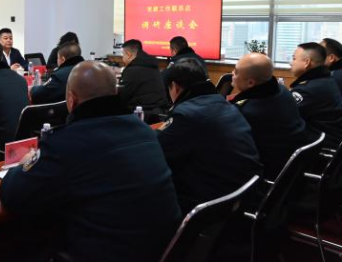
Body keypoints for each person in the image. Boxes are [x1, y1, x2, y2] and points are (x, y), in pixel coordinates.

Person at [0, 62, 181, 262]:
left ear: (71, 99)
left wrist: (26, 161)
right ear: (115, 92)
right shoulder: (144, 131)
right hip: (161, 252)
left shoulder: (67, 143)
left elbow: (13, 195)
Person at [157, 58, 262, 214]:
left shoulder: (186, 114)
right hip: (243, 194)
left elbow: (157, 152)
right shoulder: (224, 104)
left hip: (211, 205)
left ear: (175, 87)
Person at [230, 53, 310, 180]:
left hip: (270, 172)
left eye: (236, 71)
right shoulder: (282, 90)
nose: (232, 74)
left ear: (250, 82)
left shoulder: (246, 111)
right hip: (293, 165)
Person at [290, 43, 342, 149]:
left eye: (294, 59)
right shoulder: (326, 79)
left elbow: (285, 117)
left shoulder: (306, 89)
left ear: (307, 62)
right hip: (332, 139)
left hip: (320, 146)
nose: (291, 63)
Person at [118, 39, 169, 123]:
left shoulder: (131, 70)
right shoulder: (153, 66)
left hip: (141, 115)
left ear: (129, 54)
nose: (123, 59)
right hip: (159, 113)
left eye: (123, 55)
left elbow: (123, 96)